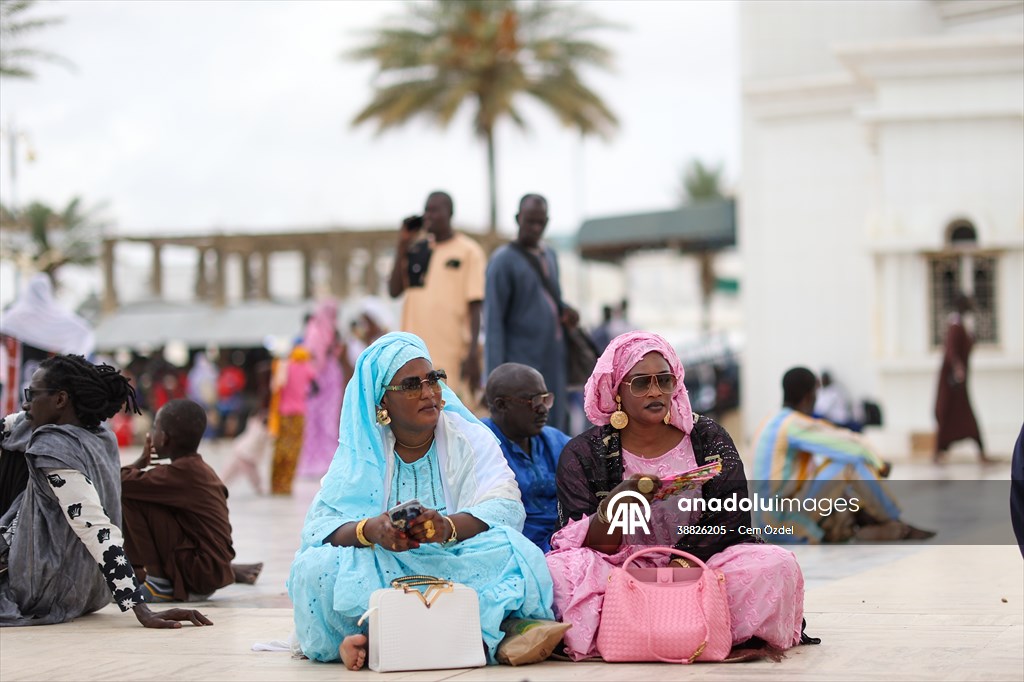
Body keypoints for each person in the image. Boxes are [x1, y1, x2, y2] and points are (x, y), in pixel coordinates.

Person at [287, 332, 554, 670]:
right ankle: (483, 633)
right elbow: (321, 527)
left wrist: (448, 527)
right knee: (316, 568)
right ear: (383, 401)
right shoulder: (363, 449)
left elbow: (506, 505)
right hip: (385, 559)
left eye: (433, 380)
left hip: (455, 556)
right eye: (412, 386)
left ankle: (378, 639)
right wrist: (372, 530)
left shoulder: (466, 435)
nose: (429, 393)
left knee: (517, 553)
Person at [547, 332, 806, 661]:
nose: (655, 391)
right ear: (617, 391)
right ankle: (663, 630)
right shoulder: (584, 453)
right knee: (562, 570)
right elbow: (583, 543)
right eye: (641, 383)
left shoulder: (706, 437)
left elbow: (733, 515)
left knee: (775, 565)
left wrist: (680, 564)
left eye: (664, 380)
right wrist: (612, 507)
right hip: (621, 570)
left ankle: (677, 628)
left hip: (703, 565)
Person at [0, 354, 211, 628]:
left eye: (32, 394)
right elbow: (11, 426)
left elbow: (96, 529)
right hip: (90, 589)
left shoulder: (54, 447)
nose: (26, 403)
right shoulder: (100, 434)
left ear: (60, 400)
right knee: (17, 437)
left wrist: (140, 608)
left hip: (47, 589)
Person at [753, 367, 934, 543]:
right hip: (780, 520)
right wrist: (878, 461)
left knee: (839, 485)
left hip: (767, 520)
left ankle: (865, 526)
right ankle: (894, 520)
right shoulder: (792, 424)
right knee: (848, 464)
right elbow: (846, 445)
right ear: (810, 396)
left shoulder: (771, 420)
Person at [121, 399, 262, 601]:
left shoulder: (180, 473)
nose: (152, 434)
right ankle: (144, 574)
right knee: (142, 491)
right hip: (209, 572)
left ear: (165, 439)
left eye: (155, 429)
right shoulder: (197, 468)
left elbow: (122, 482)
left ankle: (157, 583)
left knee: (132, 496)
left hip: (199, 575)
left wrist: (138, 462)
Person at [484, 194, 579, 432]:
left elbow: (554, 300)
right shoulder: (503, 261)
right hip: (521, 365)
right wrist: (494, 380)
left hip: (553, 359)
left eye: (541, 222)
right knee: (527, 429)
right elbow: (493, 323)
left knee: (556, 427)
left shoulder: (550, 255)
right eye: (530, 221)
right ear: (518, 219)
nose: (536, 228)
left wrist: (567, 312)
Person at [388, 191, 485, 403]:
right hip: (414, 355)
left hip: (452, 356)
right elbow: (394, 290)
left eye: (434, 210)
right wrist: (402, 245)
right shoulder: (417, 250)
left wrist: (472, 355)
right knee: (418, 420)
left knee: (452, 418)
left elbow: (476, 306)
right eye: (426, 210)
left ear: (450, 213)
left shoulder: (469, 251)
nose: (428, 215)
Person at [481, 363, 569, 553]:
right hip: (512, 550)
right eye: (534, 401)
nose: (544, 409)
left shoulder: (554, 440)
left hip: (564, 542)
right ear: (501, 405)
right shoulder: (481, 444)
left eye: (546, 399)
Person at [934, 293, 990, 463]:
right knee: (948, 415)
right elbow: (951, 350)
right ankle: (939, 451)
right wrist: (958, 368)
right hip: (953, 384)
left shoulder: (961, 325)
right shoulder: (955, 326)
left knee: (963, 417)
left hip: (959, 384)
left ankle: (979, 451)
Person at [296, 299, 345, 479]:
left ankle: (327, 461)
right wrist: (312, 377)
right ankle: (316, 463)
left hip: (327, 379)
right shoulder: (316, 330)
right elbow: (313, 356)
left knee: (327, 421)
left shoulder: (330, 330)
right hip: (319, 379)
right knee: (317, 422)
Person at [269, 344, 316, 495]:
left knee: (280, 447)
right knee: (293, 449)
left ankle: (275, 484)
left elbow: (275, 387)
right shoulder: (307, 368)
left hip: (283, 413)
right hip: (298, 414)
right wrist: (303, 395)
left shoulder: (285, 366)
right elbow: (316, 388)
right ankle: (286, 486)